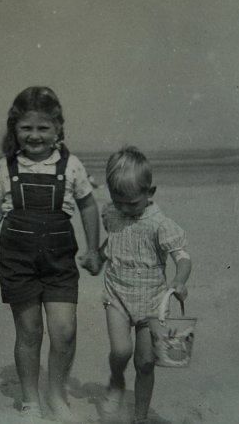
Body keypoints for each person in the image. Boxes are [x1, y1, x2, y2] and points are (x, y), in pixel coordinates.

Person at [0, 86, 102, 422]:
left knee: (64, 331)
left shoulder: (71, 166)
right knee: (29, 331)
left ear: (58, 128)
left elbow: (89, 207)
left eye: (43, 128)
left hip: (60, 262)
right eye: (26, 128)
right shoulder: (6, 168)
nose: (34, 136)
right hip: (18, 262)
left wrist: (93, 248)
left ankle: (57, 392)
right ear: (14, 129)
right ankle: (31, 398)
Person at [99, 146, 192, 424]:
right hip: (117, 294)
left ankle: (140, 416)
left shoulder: (160, 224)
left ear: (150, 193)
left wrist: (179, 279)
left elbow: (183, 257)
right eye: (118, 201)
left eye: (132, 203)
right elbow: (114, 241)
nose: (125, 209)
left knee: (146, 362)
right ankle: (116, 380)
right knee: (120, 351)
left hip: (152, 302)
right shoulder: (111, 214)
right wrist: (98, 255)